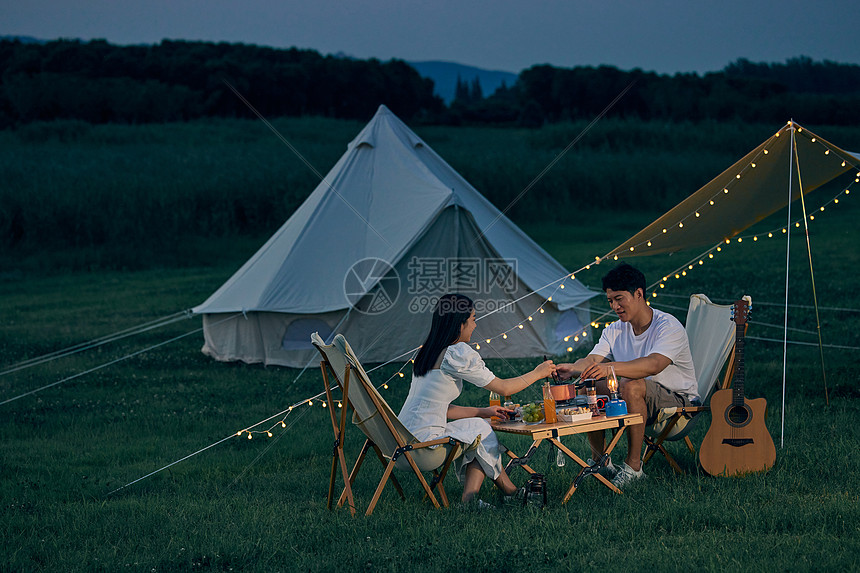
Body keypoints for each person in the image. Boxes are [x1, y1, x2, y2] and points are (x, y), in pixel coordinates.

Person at [399, 293, 556, 508]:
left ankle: (489, 496)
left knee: (478, 426)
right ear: (459, 324)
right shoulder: (456, 352)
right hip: (422, 448)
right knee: (481, 431)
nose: (475, 324)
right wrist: (539, 373)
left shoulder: (427, 352)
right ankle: (498, 495)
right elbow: (503, 387)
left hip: (399, 440)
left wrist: (484, 411)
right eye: (473, 318)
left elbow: (439, 409)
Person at [556, 263, 698, 488]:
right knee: (586, 385)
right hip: (635, 395)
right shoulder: (614, 329)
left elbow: (653, 365)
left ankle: (634, 467)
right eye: (610, 300)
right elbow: (593, 360)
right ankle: (601, 461)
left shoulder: (668, 326)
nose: (614, 306)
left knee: (631, 385)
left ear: (639, 294)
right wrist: (573, 368)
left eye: (619, 298)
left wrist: (610, 368)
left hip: (678, 402)